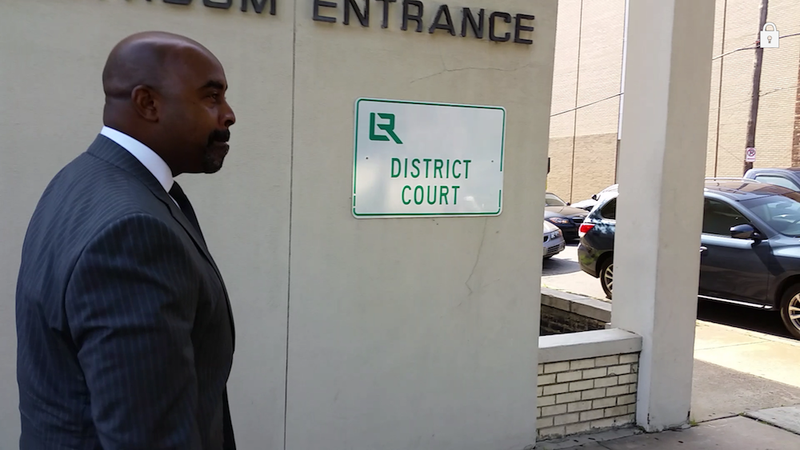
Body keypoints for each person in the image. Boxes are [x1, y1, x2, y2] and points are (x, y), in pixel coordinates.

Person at [15, 31, 237, 449]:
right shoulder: (134, 231)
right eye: (211, 97)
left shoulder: (80, 179)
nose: (228, 115)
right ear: (147, 103)